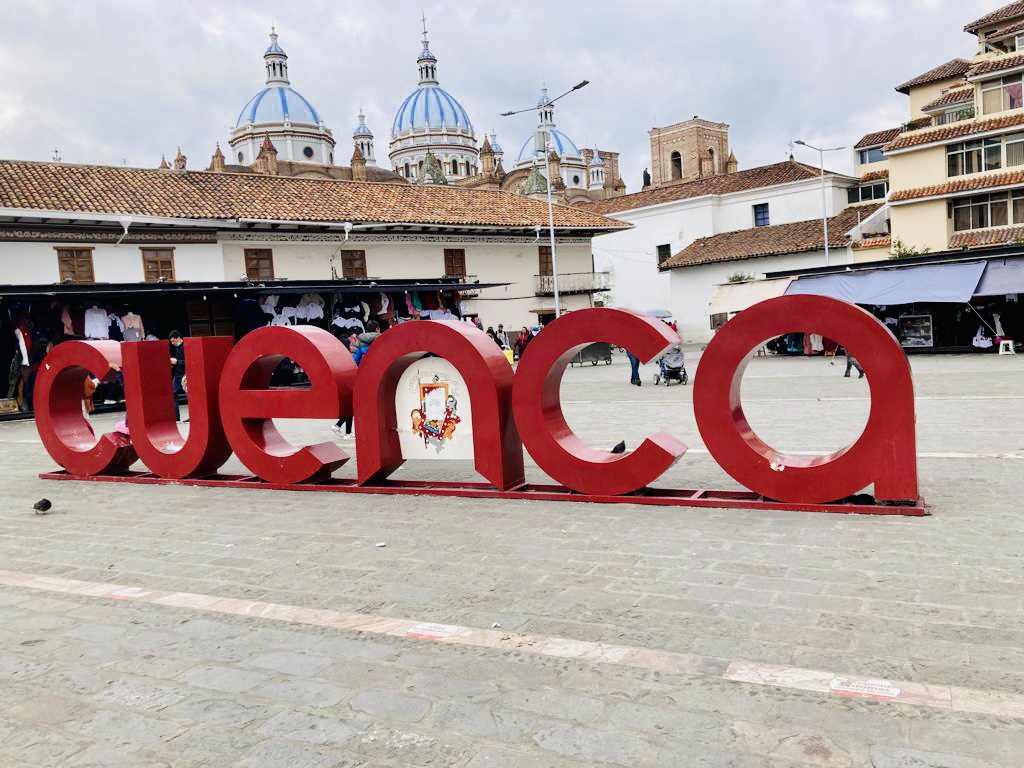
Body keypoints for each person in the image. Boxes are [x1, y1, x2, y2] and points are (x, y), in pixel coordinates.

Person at [168, 330, 186, 421]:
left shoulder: (186, 346)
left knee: (191, 395)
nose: (172, 343)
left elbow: (190, 362)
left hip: (186, 374)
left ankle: (193, 416)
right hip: (177, 374)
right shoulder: (176, 348)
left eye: (173, 341)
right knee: (172, 393)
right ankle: (176, 416)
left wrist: (177, 362)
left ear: (178, 338)